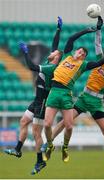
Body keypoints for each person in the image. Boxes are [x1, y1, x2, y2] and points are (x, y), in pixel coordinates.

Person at [42, 16, 104, 169]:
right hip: (84, 98)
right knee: (65, 122)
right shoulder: (99, 60)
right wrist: (98, 30)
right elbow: (98, 46)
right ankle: (48, 143)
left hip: (97, 102)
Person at [4, 16, 63, 175]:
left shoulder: (50, 68)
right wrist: (58, 29)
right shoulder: (51, 62)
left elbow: (30, 66)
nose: (52, 51)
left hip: (43, 102)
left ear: (56, 58)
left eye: (55, 53)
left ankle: (39, 162)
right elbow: (55, 44)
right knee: (23, 121)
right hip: (36, 100)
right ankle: (18, 150)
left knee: (36, 132)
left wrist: (25, 52)